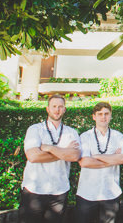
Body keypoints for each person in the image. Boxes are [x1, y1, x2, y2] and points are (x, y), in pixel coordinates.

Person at [20, 94, 81, 223]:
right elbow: (33, 156)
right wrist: (64, 151)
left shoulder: (71, 132)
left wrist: (49, 148)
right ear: (47, 109)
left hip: (59, 191)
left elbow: (75, 156)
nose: (57, 110)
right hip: (34, 190)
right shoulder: (35, 129)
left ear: (64, 109)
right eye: (54, 106)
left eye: (60, 107)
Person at [75, 102, 123, 223]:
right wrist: (112, 159)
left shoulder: (118, 136)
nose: (103, 117)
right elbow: (84, 162)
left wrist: (97, 156)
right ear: (94, 116)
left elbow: (122, 159)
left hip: (111, 193)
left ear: (111, 116)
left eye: (106, 114)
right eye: (100, 114)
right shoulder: (85, 136)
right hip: (87, 193)